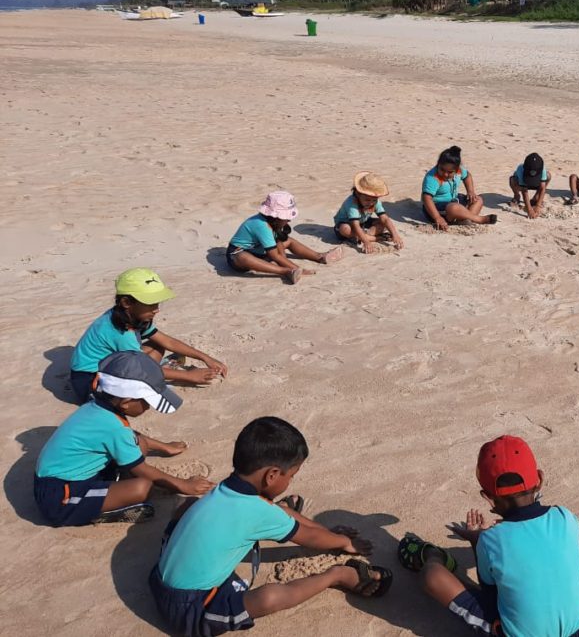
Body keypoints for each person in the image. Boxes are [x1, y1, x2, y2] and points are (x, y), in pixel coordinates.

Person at [149, 416, 392, 637]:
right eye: (292, 475)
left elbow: (282, 517)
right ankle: (336, 576)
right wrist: (344, 542)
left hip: (159, 580)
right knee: (269, 597)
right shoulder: (257, 511)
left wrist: (325, 531)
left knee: (191, 505)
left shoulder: (225, 489)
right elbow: (308, 537)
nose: (291, 481)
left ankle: (286, 516)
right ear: (272, 475)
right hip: (190, 611)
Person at [406, 435, 579, 636]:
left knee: (431, 575)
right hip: (578, 627)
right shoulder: (564, 516)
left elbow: (491, 595)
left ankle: (434, 556)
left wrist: (478, 540)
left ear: (487, 498)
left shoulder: (490, 539)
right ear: (539, 480)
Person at [35, 351, 214, 527]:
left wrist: (164, 447)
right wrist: (183, 486)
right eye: (147, 402)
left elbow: (129, 437)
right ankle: (102, 511)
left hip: (77, 474)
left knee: (140, 444)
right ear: (126, 402)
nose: (148, 408)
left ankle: (110, 491)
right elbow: (140, 469)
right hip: (60, 497)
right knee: (142, 488)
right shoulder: (113, 426)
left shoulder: (99, 406)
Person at [68, 268, 229, 403]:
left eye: (157, 303)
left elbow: (167, 341)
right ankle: (160, 373)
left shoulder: (133, 315)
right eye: (151, 304)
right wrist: (189, 376)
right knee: (133, 399)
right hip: (89, 381)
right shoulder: (121, 331)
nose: (157, 309)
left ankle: (159, 372)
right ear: (126, 303)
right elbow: (141, 370)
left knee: (158, 345)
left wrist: (205, 357)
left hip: (112, 364)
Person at [228, 191, 344, 284]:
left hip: (261, 251)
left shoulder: (274, 223)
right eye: (287, 217)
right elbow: (275, 256)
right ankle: (286, 271)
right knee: (242, 257)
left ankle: (320, 256)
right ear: (275, 216)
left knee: (289, 241)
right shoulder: (261, 225)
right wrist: (298, 269)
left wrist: (284, 260)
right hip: (239, 255)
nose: (289, 220)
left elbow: (279, 247)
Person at [422, 146, 496, 230]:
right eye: (442, 170)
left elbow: (467, 176)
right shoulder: (432, 177)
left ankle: (466, 219)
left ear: (456, 170)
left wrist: (470, 191)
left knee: (478, 199)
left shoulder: (460, 171)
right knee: (453, 207)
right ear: (438, 164)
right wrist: (437, 218)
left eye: (450, 172)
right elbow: (426, 198)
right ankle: (478, 219)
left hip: (454, 200)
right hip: (437, 208)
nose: (445, 174)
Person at [334, 172, 404, 253]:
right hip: (348, 224)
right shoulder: (352, 203)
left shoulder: (375, 202)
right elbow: (355, 225)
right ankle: (376, 238)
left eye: (374, 200)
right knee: (345, 229)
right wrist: (366, 242)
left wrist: (395, 235)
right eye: (367, 200)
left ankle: (363, 236)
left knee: (382, 223)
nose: (371, 203)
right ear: (358, 193)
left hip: (363, 222)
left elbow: (385, 219)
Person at [509, 153, 550, 219]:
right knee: (512, 180)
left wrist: (538, 205)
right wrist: (529, 210)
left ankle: (536, 197)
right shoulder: (520, 169)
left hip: (536, 182)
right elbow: (524, 192)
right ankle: (516, 195)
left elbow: (542, 188)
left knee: (548, 176)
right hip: (521, 184)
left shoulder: (542, 170)